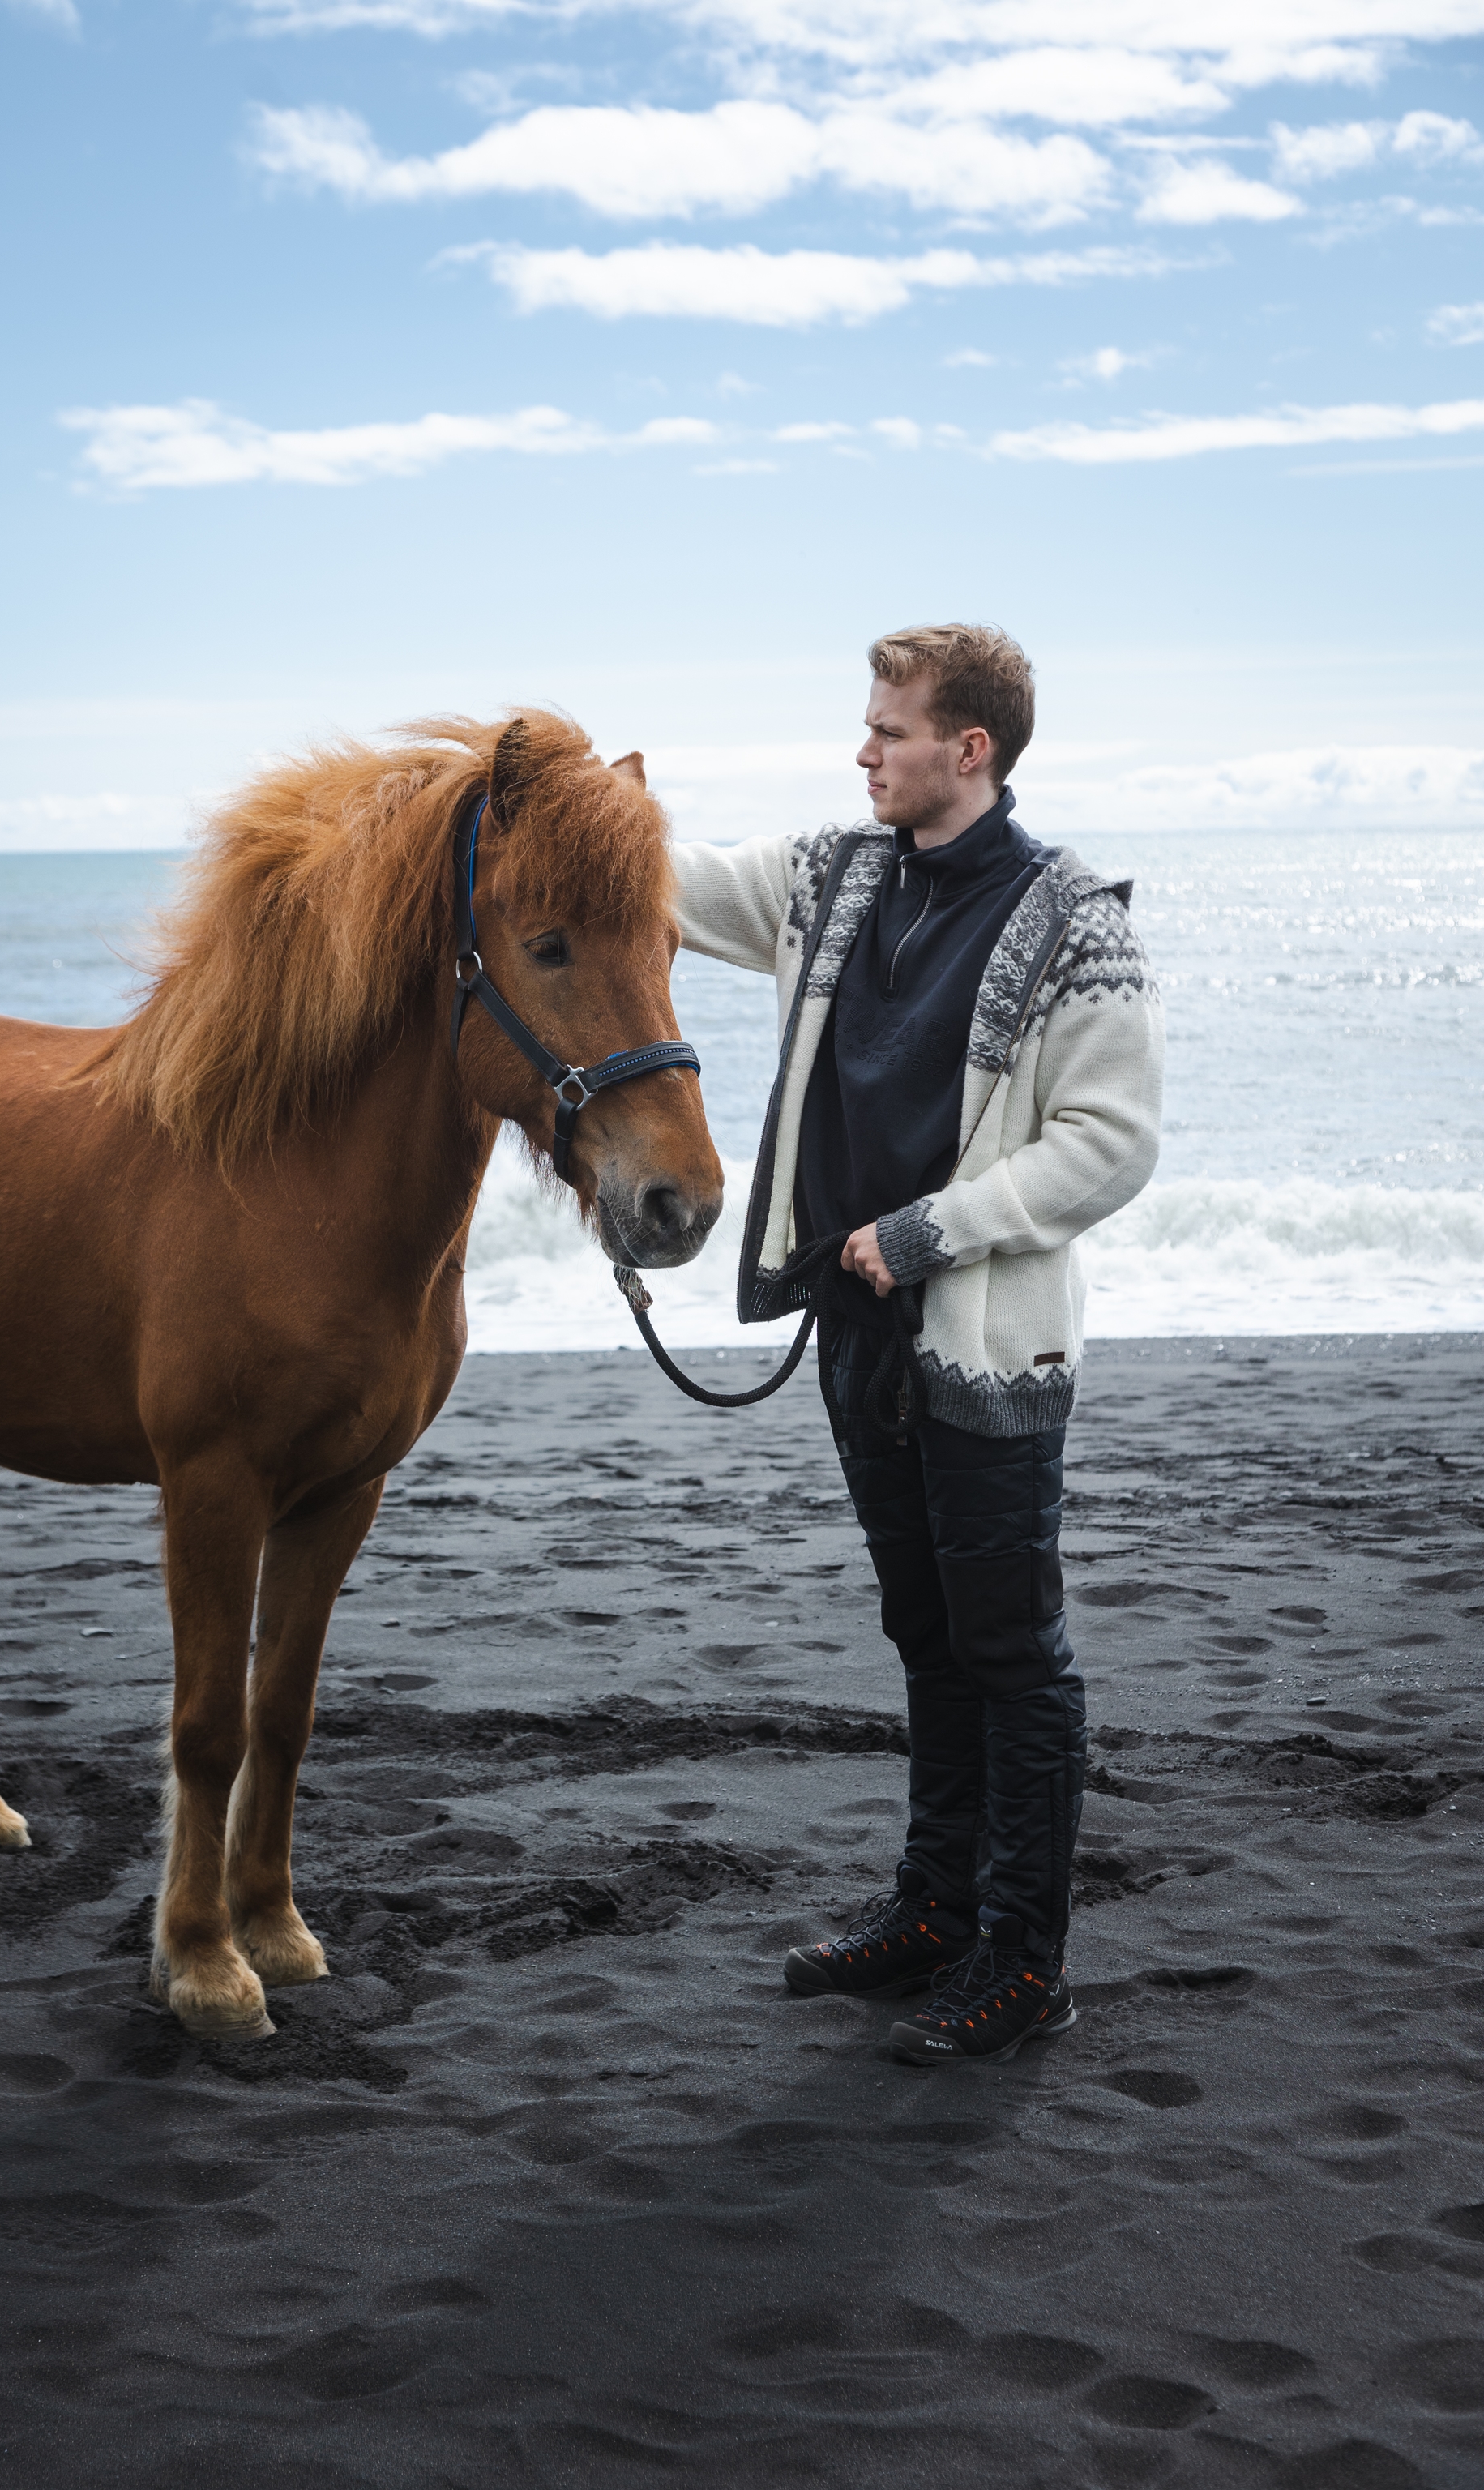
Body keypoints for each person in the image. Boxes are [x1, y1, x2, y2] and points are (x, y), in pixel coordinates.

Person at [668, 625, 1165, 2065]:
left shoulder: (1079, 917)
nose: (863, 748)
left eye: (890, 729)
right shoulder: (831, 878)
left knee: (1014, 1652)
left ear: (973, 750)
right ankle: (935, 1911)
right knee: (925, 1633)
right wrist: (554, 794)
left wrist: (934, 1230)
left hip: (990, 1346)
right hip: (853, 1331)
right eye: (866, 723)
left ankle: (1026, 1959)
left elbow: (1113, 1145)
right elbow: (657, 879)